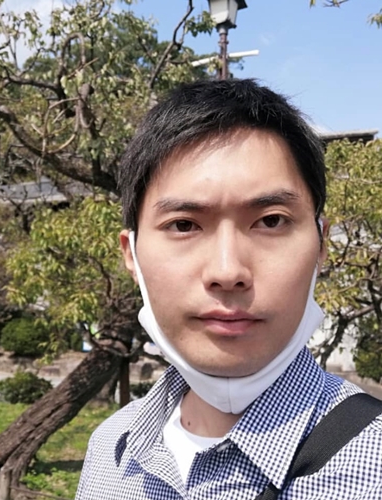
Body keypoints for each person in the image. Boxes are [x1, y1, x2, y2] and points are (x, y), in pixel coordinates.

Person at [75, 79, 382, 499]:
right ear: (132, 256)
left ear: (321, 244)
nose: (227, 271)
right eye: (183, 225)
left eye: (271, 220)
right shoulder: (110, 448)